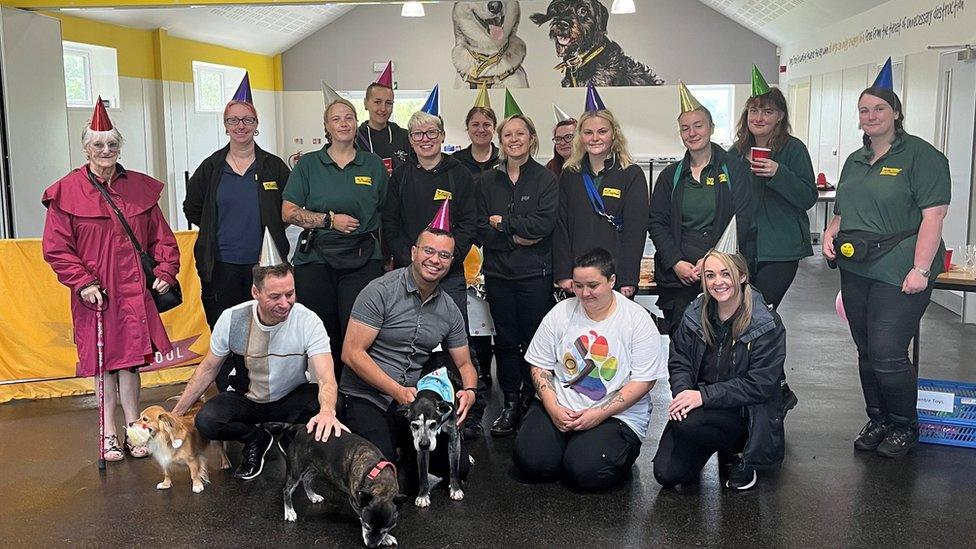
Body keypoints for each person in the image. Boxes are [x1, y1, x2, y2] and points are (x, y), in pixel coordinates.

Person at [42, 100, 179, 462]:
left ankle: (134, 430)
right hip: (95, 295)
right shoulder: (66, 192)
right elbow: (56, 248)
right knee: (103, 367)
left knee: (130, 364)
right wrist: (82, 281)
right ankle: (106, 435)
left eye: (112, 145)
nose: (106, 151)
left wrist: (166, 270)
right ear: (86, 148)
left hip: (134, 292)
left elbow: (161, 238)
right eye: (98, 145)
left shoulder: (138, 189)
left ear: (120, 147)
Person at [822, 80, 950, 458]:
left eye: (879, 108)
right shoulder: (855, 159)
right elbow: (844, 210)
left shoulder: (922, 157)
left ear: (895, 112)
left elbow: (934, 215)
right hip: (857, 265)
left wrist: (921, 269)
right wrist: (831, 232)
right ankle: (878, 418)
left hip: (900, 268)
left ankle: (904, 424)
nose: (871, 116)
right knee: (865, 350)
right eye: (864, 110)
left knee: (888, 351)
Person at [171, 256, 346, 480]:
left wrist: (327, 412)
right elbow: (208, 369)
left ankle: (291, 436)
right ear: (255, 292)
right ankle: (256, 438)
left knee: (335, 405)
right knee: (206, 421)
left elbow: (325, 378)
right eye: (275, 296)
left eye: (290, 294)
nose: (285, 303)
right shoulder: (232, 318)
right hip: (248, 399)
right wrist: (176, 414)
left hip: (289, 398)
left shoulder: (308, 320)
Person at [514, 248, 667, 491]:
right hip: (561, 404)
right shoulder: (560, 312)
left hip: (615, 414)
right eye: (578, 285)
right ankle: (570, 445)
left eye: (593, 285)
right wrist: (553, 408)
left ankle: (609, 454)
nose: (585, 293)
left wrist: (598, 414)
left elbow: (644, 381)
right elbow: (540, 365)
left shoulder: (636, 319)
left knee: (587, 473)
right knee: (532, 464)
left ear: (612, 281)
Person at [340, 228, 479, 494]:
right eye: (428, 251)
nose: (435, 260)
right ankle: (394, 457)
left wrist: (470, 392)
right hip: (366, 396)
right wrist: (397, 391)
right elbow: (351, 353)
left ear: (451, 262)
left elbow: (464, 364)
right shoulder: (380, 291)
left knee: (459, 468)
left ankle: (402, 453)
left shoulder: (449, 308)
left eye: (444, 255)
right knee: (383, 481)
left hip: (411, 402)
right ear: (413, 252)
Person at [382, 110, 486, 439]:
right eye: (417, 135)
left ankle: (466, 411)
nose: (425, 139)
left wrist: (449, 257)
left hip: (450, 273)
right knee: (407, 337)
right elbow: (391, 223)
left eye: (431, 133)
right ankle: (410, 407)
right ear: (410, 141)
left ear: (442, 136)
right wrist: (409, 258)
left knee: (458, 343)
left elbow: (470, 221)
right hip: (409, 272)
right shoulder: (400, 176)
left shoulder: (460, 175)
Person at [183, 87, 291, 391]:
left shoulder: (274, 167)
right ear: (225, 126)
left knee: (267, 328)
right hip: (221, 267)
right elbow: (191, 207)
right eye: (233, 120)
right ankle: (229, 393)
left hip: (265, 269)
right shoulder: (211, 167)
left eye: (247, 120)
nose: (240, 126)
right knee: (225, 330)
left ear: (257, 125)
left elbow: (290, 206)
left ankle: (267, 391)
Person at [653, 248, 786, 491]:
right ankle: (709, 443)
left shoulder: (766, 323)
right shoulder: (695, 312)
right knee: (666, 473)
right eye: (710, 275)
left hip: (745, 411)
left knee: (689, 425)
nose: (718, 282)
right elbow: (680, 358)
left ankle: (740, 452)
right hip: (703, 404)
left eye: (726, 274)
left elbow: (761, 384)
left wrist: (702, 396)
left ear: (742, 276)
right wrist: (683, 393)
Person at [282, 98, 389, 379]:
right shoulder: (308, 165)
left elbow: (388, 212)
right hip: (316, 260)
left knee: (360, 335)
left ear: (357, 124)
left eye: (349, 118)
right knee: (322, 334)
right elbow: (288, 212)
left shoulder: (373, 165)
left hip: (363, 259)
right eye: (336, 119)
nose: (344, 123)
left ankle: (357, 396)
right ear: (327, 127)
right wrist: (329, 220)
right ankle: (328, 399)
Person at [648, 84, 754, 336]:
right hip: (679, 275)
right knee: (682, 343)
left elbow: (744, 218)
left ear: (711, 128)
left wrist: (711, 262)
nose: (692, 133)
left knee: (722, 343)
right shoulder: (670, 176)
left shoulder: (734, 169)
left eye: (698, 125)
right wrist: (675, 262)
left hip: (722, 272)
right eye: (685, 128)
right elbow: (657, 223)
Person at [477, 113, 559, 436]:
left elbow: (544, 225)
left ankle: (535, 398)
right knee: (506, 341)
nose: (514, 139)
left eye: (520, 133)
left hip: (534, 274)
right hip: (498, 274)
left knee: (535, 341)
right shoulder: (487, 181)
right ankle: (511, 402)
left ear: (531, 138)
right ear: (501, 140)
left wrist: (505, 225)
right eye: (507, 134)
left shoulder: (545, 180)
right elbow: (482, 227)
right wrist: (515, 236)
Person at [729, 72, 817, 309]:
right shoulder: (735, 153)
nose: (759, 117)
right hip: (741, 248)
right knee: (735, 310)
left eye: (768, 112)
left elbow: (808, 196)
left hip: (780, 251)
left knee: (760, 311)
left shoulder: (793, 149)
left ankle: (761, 347)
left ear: (780, 116)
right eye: (754, 111)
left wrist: (779, 173)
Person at [554, 109, 647, 298]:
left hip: (614, 276)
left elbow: (635, 231)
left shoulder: (631, 174)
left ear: (614, 134)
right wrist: (563, 273)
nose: (595, 138)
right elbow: (560, 227)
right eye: (588, 132)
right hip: (578, 278)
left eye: (602, 131)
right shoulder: (570, 175)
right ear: (580, 136)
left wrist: (628, 278)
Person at [356, 75, 411, 175]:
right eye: (377, 102)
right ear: (365, 103)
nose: (383, 109)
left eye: (388, 103)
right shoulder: (355, 138)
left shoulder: (405, 137)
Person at [453, 105, 500, 178]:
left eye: (487, 124)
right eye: (475, 124)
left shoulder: (505, 159)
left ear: (494, 128)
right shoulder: (455, 161)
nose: (481, 129)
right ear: (468, 128)